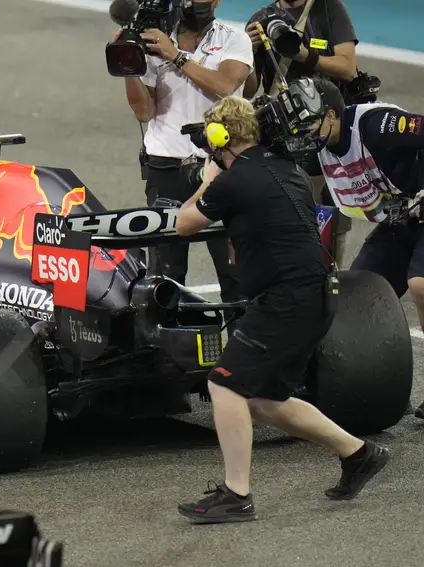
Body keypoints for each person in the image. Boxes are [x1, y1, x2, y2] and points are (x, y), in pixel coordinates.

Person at [173, 95, 390, 523]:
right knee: (263, 400)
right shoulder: (284, 168)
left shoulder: (235, 179)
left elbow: (184, 222)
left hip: (286, 299)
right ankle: (359, 453)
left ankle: (237, 495)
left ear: (220, 139)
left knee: (224, 385)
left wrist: (209, 177)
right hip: (313, 294)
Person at [116, 0, 250, 303]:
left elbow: (225, 85)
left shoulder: (233, 39)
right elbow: (144, 111)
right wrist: (129, 64)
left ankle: (244, 344)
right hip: (166, 168)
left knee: (235, 275)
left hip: (222, 168)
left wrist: (175, 56)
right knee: (165, 277)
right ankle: (168, 349)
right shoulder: (154, 39)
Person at [312, 80, 424, 417]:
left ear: (331, 115)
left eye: (310, 123)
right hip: (400, 221)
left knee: (421, 284)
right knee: (359, 295)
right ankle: (383, 390)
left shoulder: (376, 125)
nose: (304, 134)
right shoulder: (314, 143)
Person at [243, 0, 361, 264]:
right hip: (283, 132)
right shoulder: (261, 19)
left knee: (330, 218)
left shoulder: (328, 8)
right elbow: (249, 90)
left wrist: (305, 55)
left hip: (326, 129)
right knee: (282, 213)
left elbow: (348, 68)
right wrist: (247, 53)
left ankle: (331, 282)